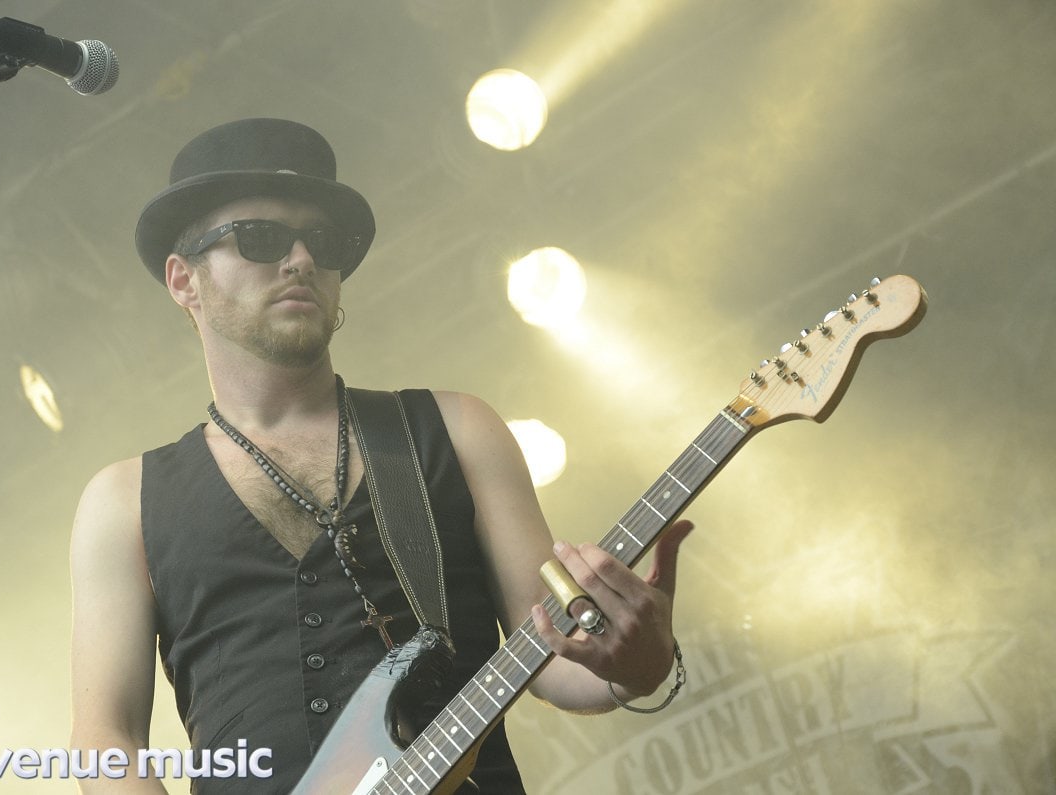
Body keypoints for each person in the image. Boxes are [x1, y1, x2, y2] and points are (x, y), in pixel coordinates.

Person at [69, 118, 693, 794]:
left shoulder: (458, 430)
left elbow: (551, 655)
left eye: (323, 241)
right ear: (183, 279)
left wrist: (638, 665)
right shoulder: (123, 501)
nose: (301, 258)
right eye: (260, 237)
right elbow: (106, 737)